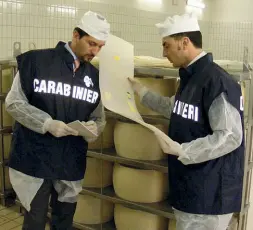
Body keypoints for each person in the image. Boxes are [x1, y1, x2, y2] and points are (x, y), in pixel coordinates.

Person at [129, 13, 245, 230]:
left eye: (167, 45)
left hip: (210, 193)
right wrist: (142, 92)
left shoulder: (216, 81)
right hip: (190, 185)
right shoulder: (190, 78)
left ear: (184, 42)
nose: (164, 53)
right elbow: (176, 109)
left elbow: (230, 136)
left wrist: (184, 150)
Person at [5, 11, 110, 230]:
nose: (95, 51)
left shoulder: (94, 76)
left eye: (100, 46)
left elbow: (99, 116)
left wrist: (94, 127)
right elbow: (14, 103)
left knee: (64, 221)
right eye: (92, 44)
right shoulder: (36, 61)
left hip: (70, 161)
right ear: (75, 35)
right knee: (35, 220)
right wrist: (46, 123)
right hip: (36, 158)